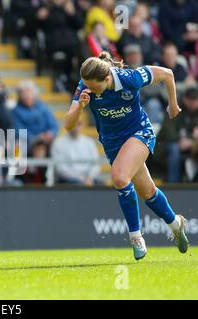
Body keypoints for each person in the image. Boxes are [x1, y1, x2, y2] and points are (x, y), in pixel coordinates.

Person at [64, 51, 189, 260]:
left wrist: (173, 104)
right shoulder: (84, 86)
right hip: (113, 144)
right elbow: (68, 125)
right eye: (86, 85)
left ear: (106, 79)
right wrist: (80, 108)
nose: (90, 90)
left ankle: (135, 236)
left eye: (94, 87)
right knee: (147, 192)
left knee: (120, 177)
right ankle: (176, 223)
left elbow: (167, 74)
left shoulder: (131, 78)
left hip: (139, 132)